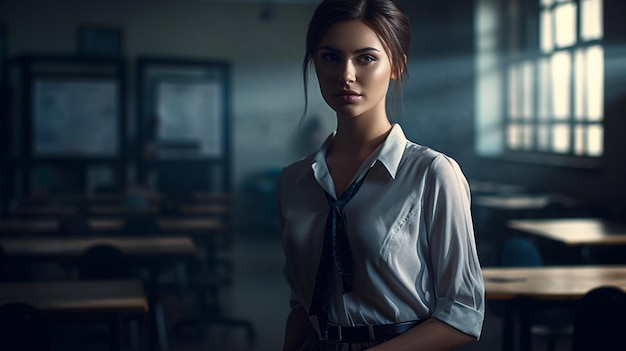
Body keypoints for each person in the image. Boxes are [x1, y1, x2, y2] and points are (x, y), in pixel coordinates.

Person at [276, 0, 485, 350]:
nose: (346, 74)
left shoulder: (432, 174)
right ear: (314, 64)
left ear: (397, 66)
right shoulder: (294, 181)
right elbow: (301, 303)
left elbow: (463, 314)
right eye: (330, 57)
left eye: (366, 58)